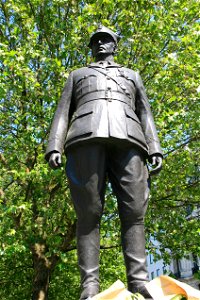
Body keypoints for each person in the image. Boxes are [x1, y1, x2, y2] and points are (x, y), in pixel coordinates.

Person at [45, 25, 163, 300]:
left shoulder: (132, 76)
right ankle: (90, 285)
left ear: (115, 45)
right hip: (85, 138)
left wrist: (155, 147)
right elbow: (62, 112)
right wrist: (54, 145)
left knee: (134, 210)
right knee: (89, 213)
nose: (100, 43)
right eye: (96, 40)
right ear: (91, 46)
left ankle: (139, 281)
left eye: (106, 39)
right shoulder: (77, 75)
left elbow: (145, 112)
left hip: (130, 139)